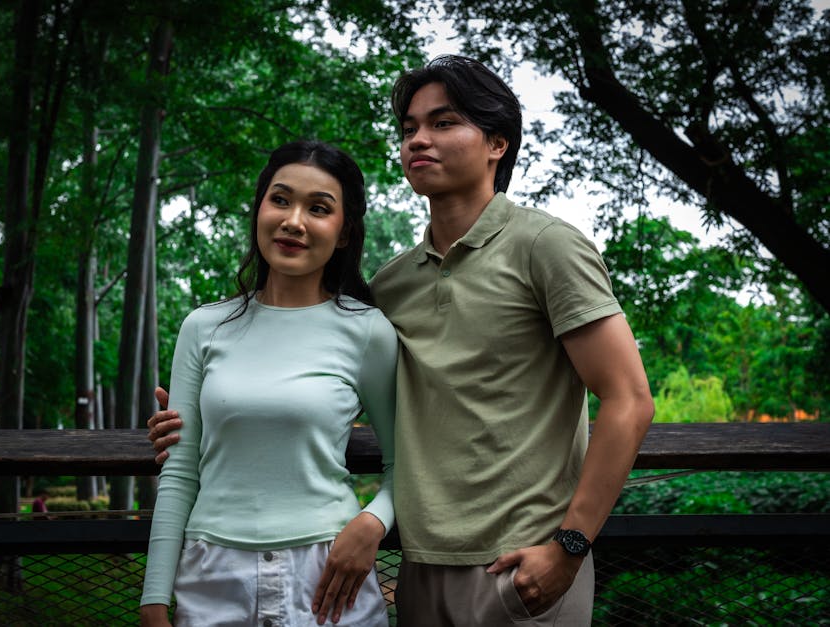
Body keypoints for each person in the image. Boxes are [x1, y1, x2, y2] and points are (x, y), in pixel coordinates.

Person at [149, 56, 654, 625]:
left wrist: (569, 546)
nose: (419, 139)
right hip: (419, 564)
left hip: (522, 564)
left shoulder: (547, 247)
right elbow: (308, 364)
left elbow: (630, 399)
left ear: (497, 143)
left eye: (443, 123)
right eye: (410, 127)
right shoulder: (390, 287)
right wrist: (204, 416)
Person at [140, 140, 397, 627]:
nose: (293, 221)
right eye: (280, 199)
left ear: (344, 233)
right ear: (259, 209)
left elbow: (404, 464)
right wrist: (153, 597)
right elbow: (180, 470)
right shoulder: (203, 327)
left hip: (329, 577)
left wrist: (372, 522)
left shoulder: (369, 331)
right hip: (212, 574)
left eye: (318, 209)